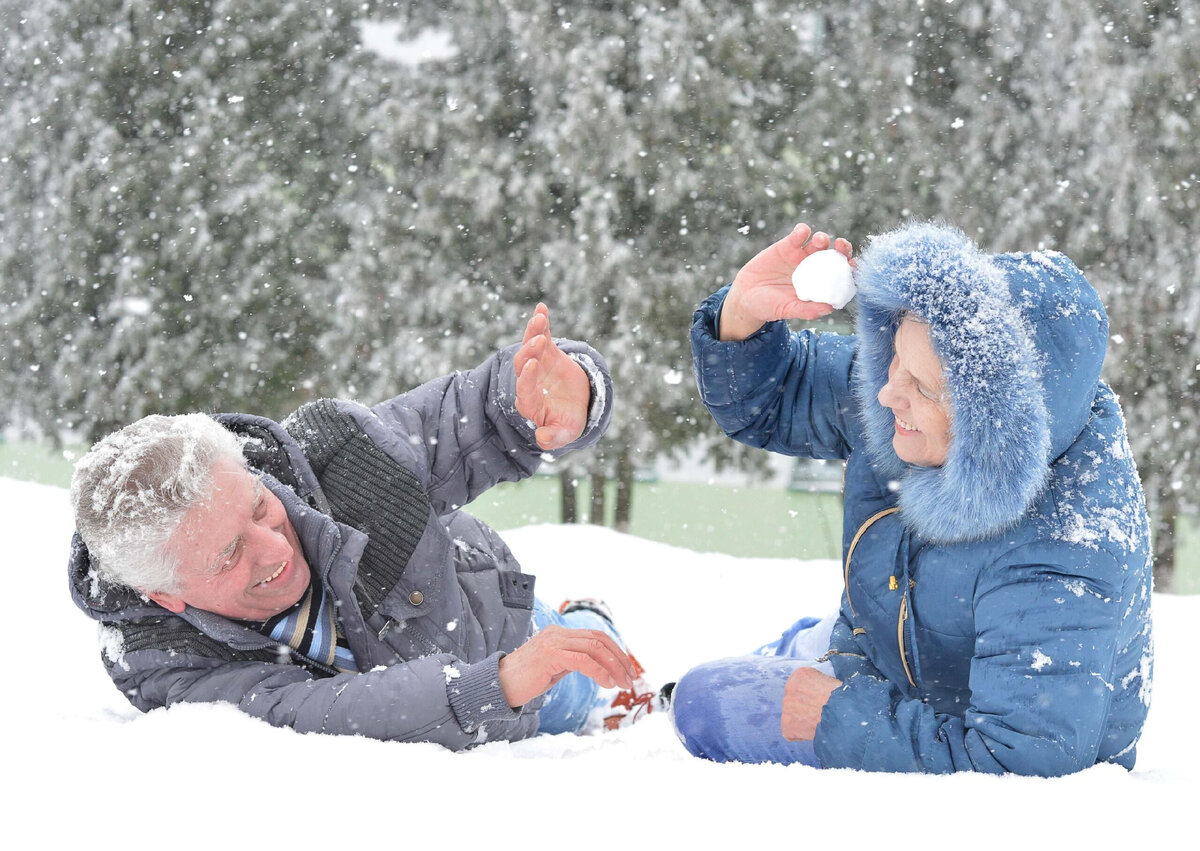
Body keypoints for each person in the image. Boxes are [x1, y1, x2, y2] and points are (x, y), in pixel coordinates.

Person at [672, 222, 1153, 776]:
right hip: (886, 643)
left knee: (701, 701)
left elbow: (1024, 764)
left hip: (941, 723)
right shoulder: (907, 386)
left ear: (991, 423)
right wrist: (743, 313)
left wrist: (838, 716)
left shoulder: (1066, 555)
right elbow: (771, 398)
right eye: (892, 359)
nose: (885, 392)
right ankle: (811, 643)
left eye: (922, 386)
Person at [70, 304, 659, 749]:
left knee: (575, 687)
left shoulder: (341, 455)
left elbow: (470, 415)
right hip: (488, 677)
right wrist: (488, 688)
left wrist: (552, 399)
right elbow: (313, 709)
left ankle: (587, 617)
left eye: (257, 507)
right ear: (165, 596)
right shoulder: (163, 660)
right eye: (227, 555)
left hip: (486, 619)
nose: (276, 547)